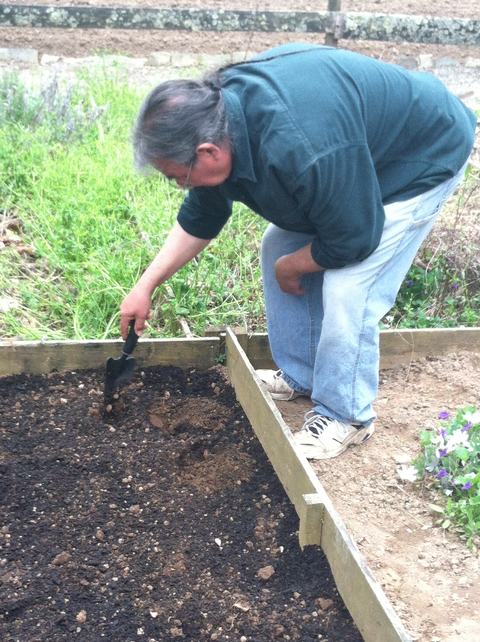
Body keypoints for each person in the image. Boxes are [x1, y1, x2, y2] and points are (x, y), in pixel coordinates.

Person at [120, 42, 477, 460]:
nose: (180, 184)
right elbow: (200, 218)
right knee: (277, 242)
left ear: (208, 153)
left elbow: (355, 237)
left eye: (178, 176)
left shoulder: (299, 144)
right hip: (354, 159)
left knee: (350, 286)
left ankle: (347, 416)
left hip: (420, 155)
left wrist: (293, 266)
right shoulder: (220, 123)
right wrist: (145, 285)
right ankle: (302, 374)